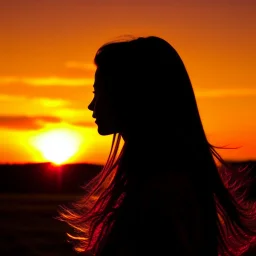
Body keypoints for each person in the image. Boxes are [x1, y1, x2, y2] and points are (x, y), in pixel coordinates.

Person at [58, 36, 256, 256]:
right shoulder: (168, 181)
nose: (91, 105)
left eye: (98, 93)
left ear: (131, 95)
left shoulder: (162, 192)